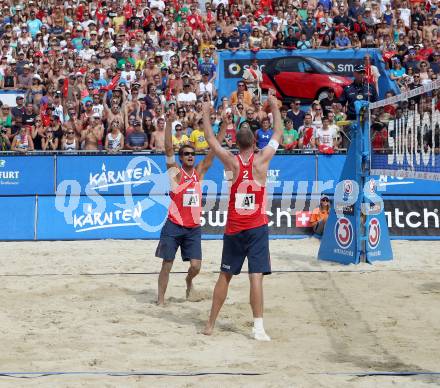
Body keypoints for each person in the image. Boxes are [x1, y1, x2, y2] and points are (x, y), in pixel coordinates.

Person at [201, 94, 283, 341]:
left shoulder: (232, 162)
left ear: (236, 143)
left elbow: (211, 141)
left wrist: (206, 112)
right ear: (256, 142)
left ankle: (210, 324)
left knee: (224, 275)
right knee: (255, 277)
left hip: (235, 228)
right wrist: (275, 107)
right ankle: (258, 328)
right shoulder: (262, 160)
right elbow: (278, 132)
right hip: (256, 227)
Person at [156, 107, 225, 305]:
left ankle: (188, 281)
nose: (190, 156)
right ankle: (161, 300)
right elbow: (168, 149)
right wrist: (169, 123)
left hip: (193, 228)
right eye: (186, 153)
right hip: (174, 225)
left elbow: (214, 150)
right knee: (167, 264)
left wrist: (225, 127)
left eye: (192, 153)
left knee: (196, 266)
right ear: (181, 157)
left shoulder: (199, 172)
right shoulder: (175, 175)